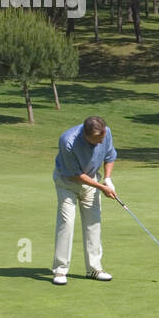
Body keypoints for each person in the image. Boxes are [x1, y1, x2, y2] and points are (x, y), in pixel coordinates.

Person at [51, 116, 118, 285]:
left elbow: (110, 156)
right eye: (96, 140)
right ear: (85, 135)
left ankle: (94, 269)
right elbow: (74, 174)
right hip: (67, 182)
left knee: (93, 223)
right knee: (66, 223)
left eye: (101, 139)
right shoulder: (68, 141)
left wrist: (108, 179)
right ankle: (60, 270)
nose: (99, 142)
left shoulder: (105, 132)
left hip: (92, 181)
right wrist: (101, 187)